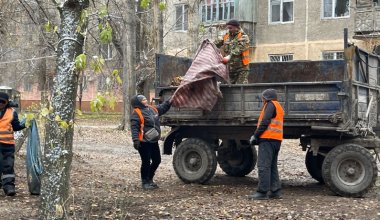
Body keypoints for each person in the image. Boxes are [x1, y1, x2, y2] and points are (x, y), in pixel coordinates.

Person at [248, 89, 284, 200]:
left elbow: (265, 121)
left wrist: (255, 135)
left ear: (267, 98)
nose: (262, 99)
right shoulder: (278, 106)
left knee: (263, 166)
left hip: (268, 139)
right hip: (276, 140)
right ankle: (275, 191)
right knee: (272, 166)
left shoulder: (270, 105)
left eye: (263, 97)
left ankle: (262, 192)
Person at [130, 94, 172, 190]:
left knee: (157, 160)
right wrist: (135, 140)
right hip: (143, 142)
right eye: (143, 99)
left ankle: (150, 179)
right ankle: (145, 182)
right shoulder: (136, 113)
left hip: (153, 141)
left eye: (145, 98)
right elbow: (134, 128)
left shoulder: (152, 109)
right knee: (146, 162)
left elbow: (163, 107)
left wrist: (170, 100)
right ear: (138, 102)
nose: (145, 100)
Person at [0, 92, 25, 196]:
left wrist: (26, 124)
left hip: (8, 145)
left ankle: (9, 187)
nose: (0, 104)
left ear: (6, 102)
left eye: (3, 102)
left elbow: (16, 127)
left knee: (8, 166)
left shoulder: (12, 112)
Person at [215, 19, 250, 84]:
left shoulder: (243, 37)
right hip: (230, 69)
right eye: (228, 28)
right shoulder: (226, 36)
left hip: (241, 69)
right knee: (230, 88)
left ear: (237, 27)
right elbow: (217, 43)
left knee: (240, 88)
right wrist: (209, 43)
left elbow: (238, 49)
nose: (229, 29)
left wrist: (228, 56)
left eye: (230, 28)